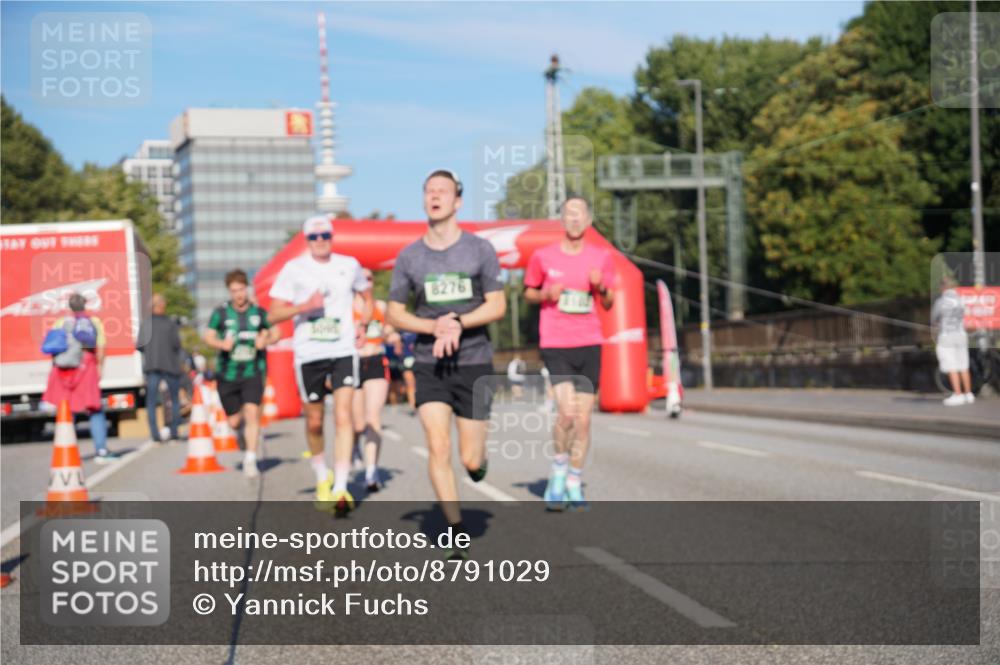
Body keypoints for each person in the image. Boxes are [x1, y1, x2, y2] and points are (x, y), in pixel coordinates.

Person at [387, 169, 506, 560]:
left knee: (469, 458)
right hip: (429, 363)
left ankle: (479, 462)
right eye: (429, 190)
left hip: (473, 361)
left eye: (444, 191)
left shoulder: (479, 250)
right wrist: (431, 326)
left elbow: (497, 305)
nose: (436, 196)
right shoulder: (410, 257)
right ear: (424, 200)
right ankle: (455, 530)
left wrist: (458, 322)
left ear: (457, 201)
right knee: (438, 446)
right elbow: (394, 313)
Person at [269, 214, 370, 515]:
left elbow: (366, 293)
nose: (321, 240)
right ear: (306, 240)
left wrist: (364, 320)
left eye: (325, 235)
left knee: (343, 416)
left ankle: (340, 487)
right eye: (314, 237)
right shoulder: (294, 268)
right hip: (309, 352)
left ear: (332, 235)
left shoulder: (349, 265)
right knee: (315, 421)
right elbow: (274, 313)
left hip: (342, 349)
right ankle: (321, 476)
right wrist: (304, 307)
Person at [524, 195, 615, 512]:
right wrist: (546, 293)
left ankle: (575, 481)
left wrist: (600, 285)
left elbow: (608, 302)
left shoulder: (601, 257)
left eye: (580, 214)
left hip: (589, 342)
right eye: (568, 214)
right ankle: (559, 470)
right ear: (561, 220)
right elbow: (528, 292)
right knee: (566, 413)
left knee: (585, 420)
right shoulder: (543, 256)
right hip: (556, 342)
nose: (574, 219)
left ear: (589, 220)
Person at [203, 269, 280, 478]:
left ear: (247, 289)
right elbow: (208, 336)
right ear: (229, 291)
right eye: (234, 290)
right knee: (235, 421)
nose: (238, 294)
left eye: (241, 289)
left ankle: (250, 459)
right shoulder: (221, 312)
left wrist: (266, 340)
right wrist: (221, 343)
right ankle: (241, 435)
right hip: (227, 374)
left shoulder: (258, 312)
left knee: (253, 412)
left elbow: (276, 331)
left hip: (253, 371)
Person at [42, 292, 117, 462]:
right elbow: (101, 348)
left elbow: (53, 348)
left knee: (66, 411)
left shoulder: (61, 322)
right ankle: (101, 451)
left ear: (69, 306)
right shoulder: (94, 322)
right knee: (95, 409)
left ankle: (66, 452)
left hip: (64, 370)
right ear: (85, 305)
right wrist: (100, 368)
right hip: (86, 367)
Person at [352, 277, 394, 492]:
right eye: (362, 277)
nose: (366, 281)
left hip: (376, 361)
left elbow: (390, 330)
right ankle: (354, 446)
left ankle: (371, 471)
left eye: (369, 278)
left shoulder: (381, 307)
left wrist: (391, 335)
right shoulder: (346, 307)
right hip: (353, 363)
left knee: (373, 417)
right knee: (358, 425)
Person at [140, 293, 184, 444]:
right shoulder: (170, 324)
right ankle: (174, 432)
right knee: (174, 400)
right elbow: (177, 345)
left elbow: (140, 345)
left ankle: (155, 434)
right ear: (162, 306)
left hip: (152, 366)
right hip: (170, 366)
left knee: (151, 401)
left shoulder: (146, 324)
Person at [931, 276, 973, 406]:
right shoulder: (961, 300)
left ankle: (957, 394)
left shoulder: (940, 302)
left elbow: (934, 319)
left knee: (951, 366)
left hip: (947, 337)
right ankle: (968, 394)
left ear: (943, 287)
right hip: (961, 335)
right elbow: (968, 317)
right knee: (963, 365)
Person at [399, 331, 418, 415]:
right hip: (407, 358)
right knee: (410, 384)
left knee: (421, 383)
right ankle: (413, 406)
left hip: (422, 359)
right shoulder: (401, 331)